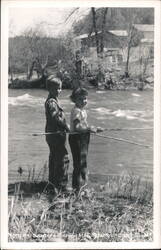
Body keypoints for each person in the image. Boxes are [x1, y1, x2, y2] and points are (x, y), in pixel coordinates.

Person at [69, 87, 103, 192]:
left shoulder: (83, 111)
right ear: (74, 100)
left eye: (85, 98)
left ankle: (83, 185)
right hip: (77, 139)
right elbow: (78, 127)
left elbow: (84, 125)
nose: (84, 101)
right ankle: (77, 188)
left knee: (83, 162)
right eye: (81, 99)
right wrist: (89, 129)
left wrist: (94, 129)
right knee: (79, 164)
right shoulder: (76, 111)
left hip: (83, 138)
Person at [45, 75, 70, 194]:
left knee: (54, 157)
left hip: (52, 134)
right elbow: (55, 117)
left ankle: (52, 183)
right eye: (56, 89)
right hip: (55, 135)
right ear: (49, 89)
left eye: (60, 88)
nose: (58, 91)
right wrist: (66, 126)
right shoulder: (51, 102)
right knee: (62, 158)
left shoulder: (53, 100)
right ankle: (61, 186)